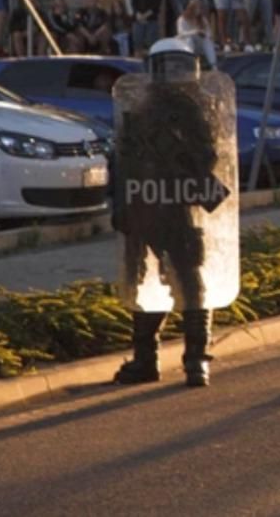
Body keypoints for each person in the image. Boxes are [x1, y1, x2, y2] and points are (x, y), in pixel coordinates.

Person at [111, 38, 238, 388]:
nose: (175, 76)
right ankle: (180, 360)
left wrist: (179, 164)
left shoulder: (177, 110)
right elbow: (125, 162)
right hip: (152, 204)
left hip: (161, 205)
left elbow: (210, 158)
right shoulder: (144, 109)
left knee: (183, 280)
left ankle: (178, 359)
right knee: (160, 281)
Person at [177, 0, 217, 67]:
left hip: (199, 45)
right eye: (197, 8)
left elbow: (209, 33)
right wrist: (195, 32)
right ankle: (189, 64)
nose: (199, 10)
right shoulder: (182, 19)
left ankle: (213, 65)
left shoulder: (202, 19)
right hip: (185, 45)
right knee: (189, 39)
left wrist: (204, 34)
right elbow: (181, 33)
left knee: (206, 40)